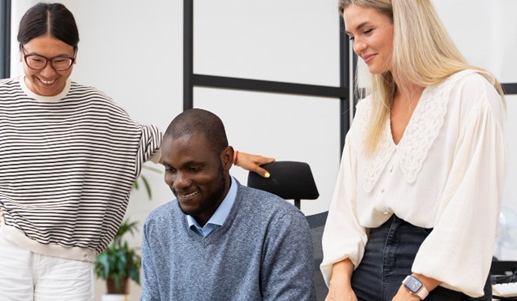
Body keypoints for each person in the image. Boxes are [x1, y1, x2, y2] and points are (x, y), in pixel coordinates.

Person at [0, 3, 273, 300]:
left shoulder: (95, 108)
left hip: (70, 262)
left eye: (61, 61)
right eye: (36, 60)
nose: (48, 72)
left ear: (75, 55)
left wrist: (235, 156)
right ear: (20, 52)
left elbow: (158, 143)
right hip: (4, 250)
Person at [322, 1, 506, 300]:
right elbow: (346, 207)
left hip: (442, 278)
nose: (358, 46)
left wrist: (414, 289)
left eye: (367, 30)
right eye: (351, 36)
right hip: (364, 271)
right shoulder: (369, 110)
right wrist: (339, 283)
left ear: (407, 24)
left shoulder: (470, 93)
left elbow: (472, 209)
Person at [140, 108, 315, 300]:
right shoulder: (157, 226)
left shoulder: (281, 224)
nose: (180, 182)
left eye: (193, 168)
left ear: (226, 159)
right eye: (171, 169)